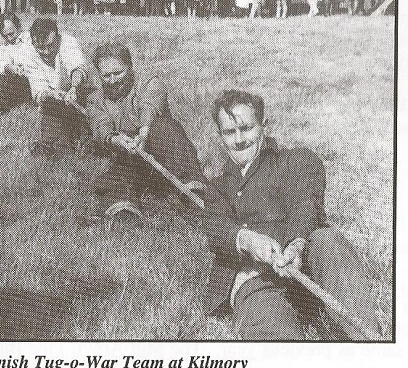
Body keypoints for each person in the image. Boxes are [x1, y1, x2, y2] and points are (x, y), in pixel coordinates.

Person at [184, 89, 380, 340]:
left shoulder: (295, 161)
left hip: (309, 273)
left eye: (247, 128)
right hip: (257, 279)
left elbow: (307, 204)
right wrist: (248, 240)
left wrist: (296, 246)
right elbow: (216, 226)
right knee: (272, 333)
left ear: (263, 125)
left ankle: (366, 344)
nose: (239, 139)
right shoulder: (217, 187)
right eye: (229, 132)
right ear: (220, 136)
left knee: (327, 240)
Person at [86, 43, 207, 224]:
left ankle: (193, 189)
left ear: (130, 67)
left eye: (118, 73)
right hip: (129, 156)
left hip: (166, 155)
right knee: (116, 177)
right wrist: (116, 139)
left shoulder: (149, 82)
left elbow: (149, 106)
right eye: (106, 75)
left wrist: (143, 133)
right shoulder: (96, 99)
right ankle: (124, 211)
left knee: (163, 128)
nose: (113, 80)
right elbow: (100, 123)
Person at [7, 18, 89, 156]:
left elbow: (78, 68)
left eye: (51, 45)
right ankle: (61, 145)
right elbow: (38, 91)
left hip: (82, 94)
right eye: (41, 48)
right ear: (33, 43)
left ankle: (85, 136)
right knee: (50, 109)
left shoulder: (67, 42)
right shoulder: (28, 53)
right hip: (56, 101)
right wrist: (52, 94)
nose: (46, 52)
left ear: (57, 38)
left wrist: (74, 88)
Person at [0, 12, 32, 115]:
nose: (9, 38)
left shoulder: (32, 38)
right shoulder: (2, 49)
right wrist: (10, 68)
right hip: (23, 83)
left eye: (11, 33)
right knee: (4, 79)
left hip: (41, 79)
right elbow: (1, 65)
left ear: (19, 26)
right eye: (5, 35)